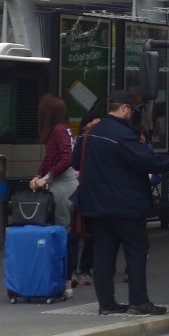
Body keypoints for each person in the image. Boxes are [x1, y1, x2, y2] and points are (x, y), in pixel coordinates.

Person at [71, 89, 169, 315]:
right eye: (131, 110)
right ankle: (138, 302)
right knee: (137, 250)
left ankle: (106, 304)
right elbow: (148, 161)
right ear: (124, 108)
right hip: (125, 205)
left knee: (103, 254)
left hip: (97, 206)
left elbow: (76, 161)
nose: (132, 114)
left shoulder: (91, 132)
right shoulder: (122, 135)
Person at [29, 94, 80, 298]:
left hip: (62, 189)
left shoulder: (57, 131)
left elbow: (65, 159)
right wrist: (38, 176)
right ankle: (65, 280)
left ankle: (65, 282)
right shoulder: (62, 130)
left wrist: (45, 177)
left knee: (62, 235)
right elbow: (52, 158)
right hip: (66, 186)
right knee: (66, 234)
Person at [70, 111, 103, 287]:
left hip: (85, 190)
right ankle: (79, 270)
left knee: (86, 233)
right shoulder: (83, 140)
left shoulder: (84, 140)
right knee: (82, 232)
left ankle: (80, 270)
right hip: (87, 191)